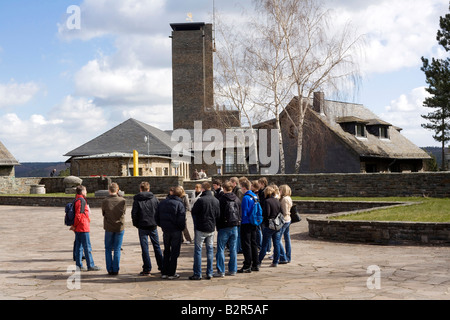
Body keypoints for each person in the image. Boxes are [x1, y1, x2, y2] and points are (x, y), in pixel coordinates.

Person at [131, 181, 163, 276]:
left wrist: (136, 224)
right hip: (153, 225)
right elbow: (159, 211)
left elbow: (134, 214)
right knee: (156, 246)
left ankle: (147, 268)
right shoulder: (154, 199)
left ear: (140, 189)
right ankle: (162, 266)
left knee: (145, 248)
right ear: (148, 189)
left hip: (142, 226)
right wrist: (157, 222)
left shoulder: (137, 200)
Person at [189, 182, 220, 280]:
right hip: (211, 228)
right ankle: (209, 272)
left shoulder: (201, 200)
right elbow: (218, 214)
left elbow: (193, 212)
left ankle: (198, 273)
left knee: (198, 251)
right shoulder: (216, 200)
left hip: (201, 228)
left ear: (203, 189)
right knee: (210, 250)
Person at [156, 186, 186, 279]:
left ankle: (164, 271)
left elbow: (156, 216)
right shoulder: (179, 204)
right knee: (174, 252)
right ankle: (171, 272)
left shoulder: (163, 202)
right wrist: (181, 228)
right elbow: (181, 219)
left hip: (166, 230)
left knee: (167, 250)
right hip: (176, 230)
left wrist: (162, 225)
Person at [71, 185, 101, 272]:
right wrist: (75, 225)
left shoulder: (76, 199)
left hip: (78, 227)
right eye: (86, 191)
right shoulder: (81, 200)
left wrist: (74, 226)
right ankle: (90, 265)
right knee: (87, 247)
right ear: (82, 192)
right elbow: (78, 215)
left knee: (79, 247)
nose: (86, 192)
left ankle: (79, 265)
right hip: (83, 227)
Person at [214, 181, 241, 277]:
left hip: (224, 226)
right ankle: (233, 270)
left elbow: (218, 214)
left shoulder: (221, 200)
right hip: (234, 226)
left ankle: (221, 271)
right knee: (233, 249)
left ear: (224, 189)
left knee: (221, 249)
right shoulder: (237, 199)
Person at [102, 182, 127, 275]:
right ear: (117, 190)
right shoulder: (122, 200)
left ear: (109, 190)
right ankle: (116, 269)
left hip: (108, 226)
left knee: (108, 248)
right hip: (119, 226)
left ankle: (109, 269)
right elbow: (123, 212)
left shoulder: (105, 201)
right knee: (117, 248)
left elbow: (103, 213)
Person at [238, 179, 259, 273]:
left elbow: (244, 212)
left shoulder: (246, 198)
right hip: (254, 222)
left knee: (246, 244)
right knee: (253, 243)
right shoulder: (255, 196)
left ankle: (247, 265)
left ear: (243, 187)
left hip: (246, 222)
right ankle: (255, 263)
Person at [258, 186, 282, 267]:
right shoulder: (277, 201)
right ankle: (275, 262)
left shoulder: (267, 201)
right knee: (276, 243)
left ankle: (259, 261)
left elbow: (267, 214)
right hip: (277, 224)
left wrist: (264, 219)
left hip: (269, 225)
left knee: (264, 244)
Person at [279, 184, 293, 264]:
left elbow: (285, 212)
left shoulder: (284, 199)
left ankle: (283, 257)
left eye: (280, 190)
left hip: (284, 220)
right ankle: (288, 257)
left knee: (278, 239)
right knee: (287, 239)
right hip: (288, 220)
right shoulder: (288, 198)